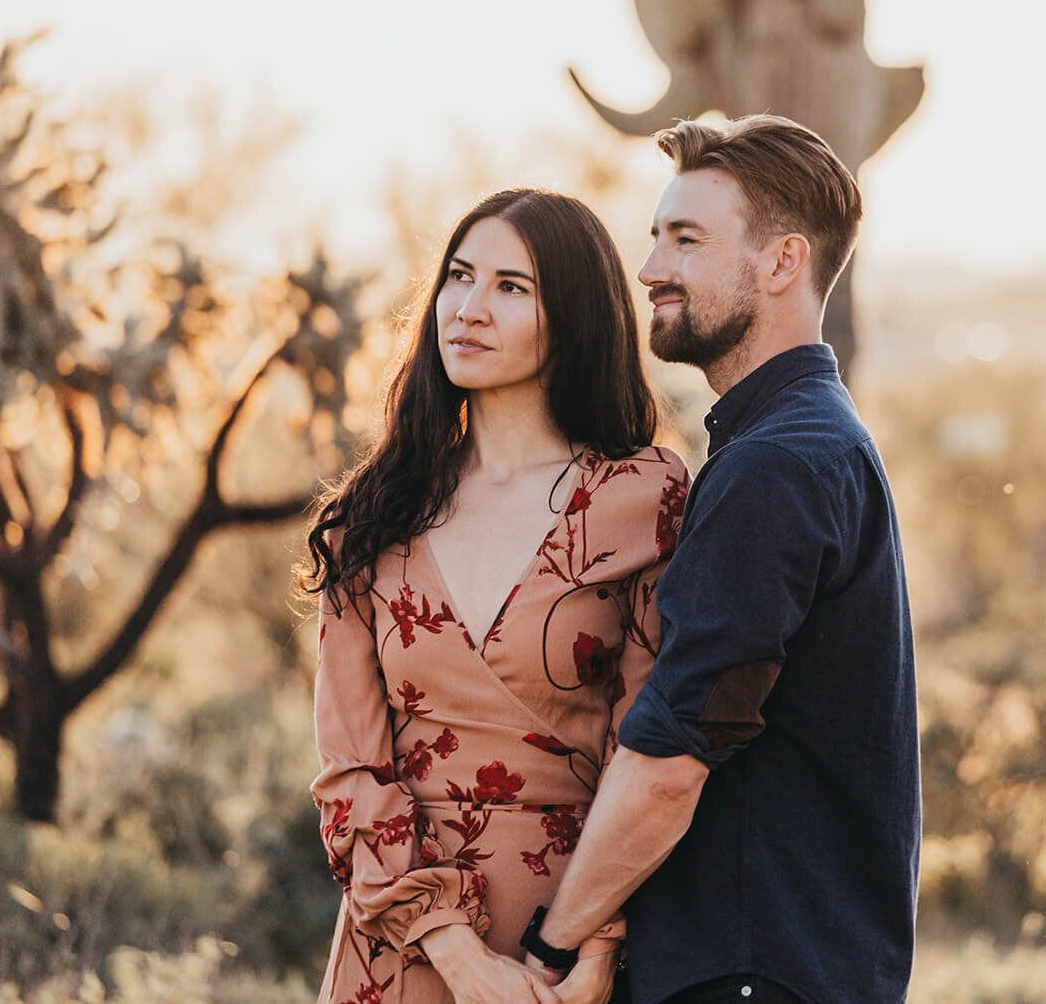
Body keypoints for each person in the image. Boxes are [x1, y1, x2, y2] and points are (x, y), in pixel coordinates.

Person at [517, 116, 920, 1003]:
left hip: (749, 970)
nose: (652, 266)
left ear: (782, 263)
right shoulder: (802, 441)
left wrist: (550, 946)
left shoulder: (777, 465)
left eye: (686, 240)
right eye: (657, 236)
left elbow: (671, 762)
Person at [300, 188, 689, 1004]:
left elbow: (645, 747)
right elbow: (350, 772)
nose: (468, 309)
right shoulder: (373, 515)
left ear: (575, 314)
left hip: (570, 950)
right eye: (459, 277)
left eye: (512, 287)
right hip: (400, 945)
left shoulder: (642, 498)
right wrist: (458, 957)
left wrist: (596, 944)